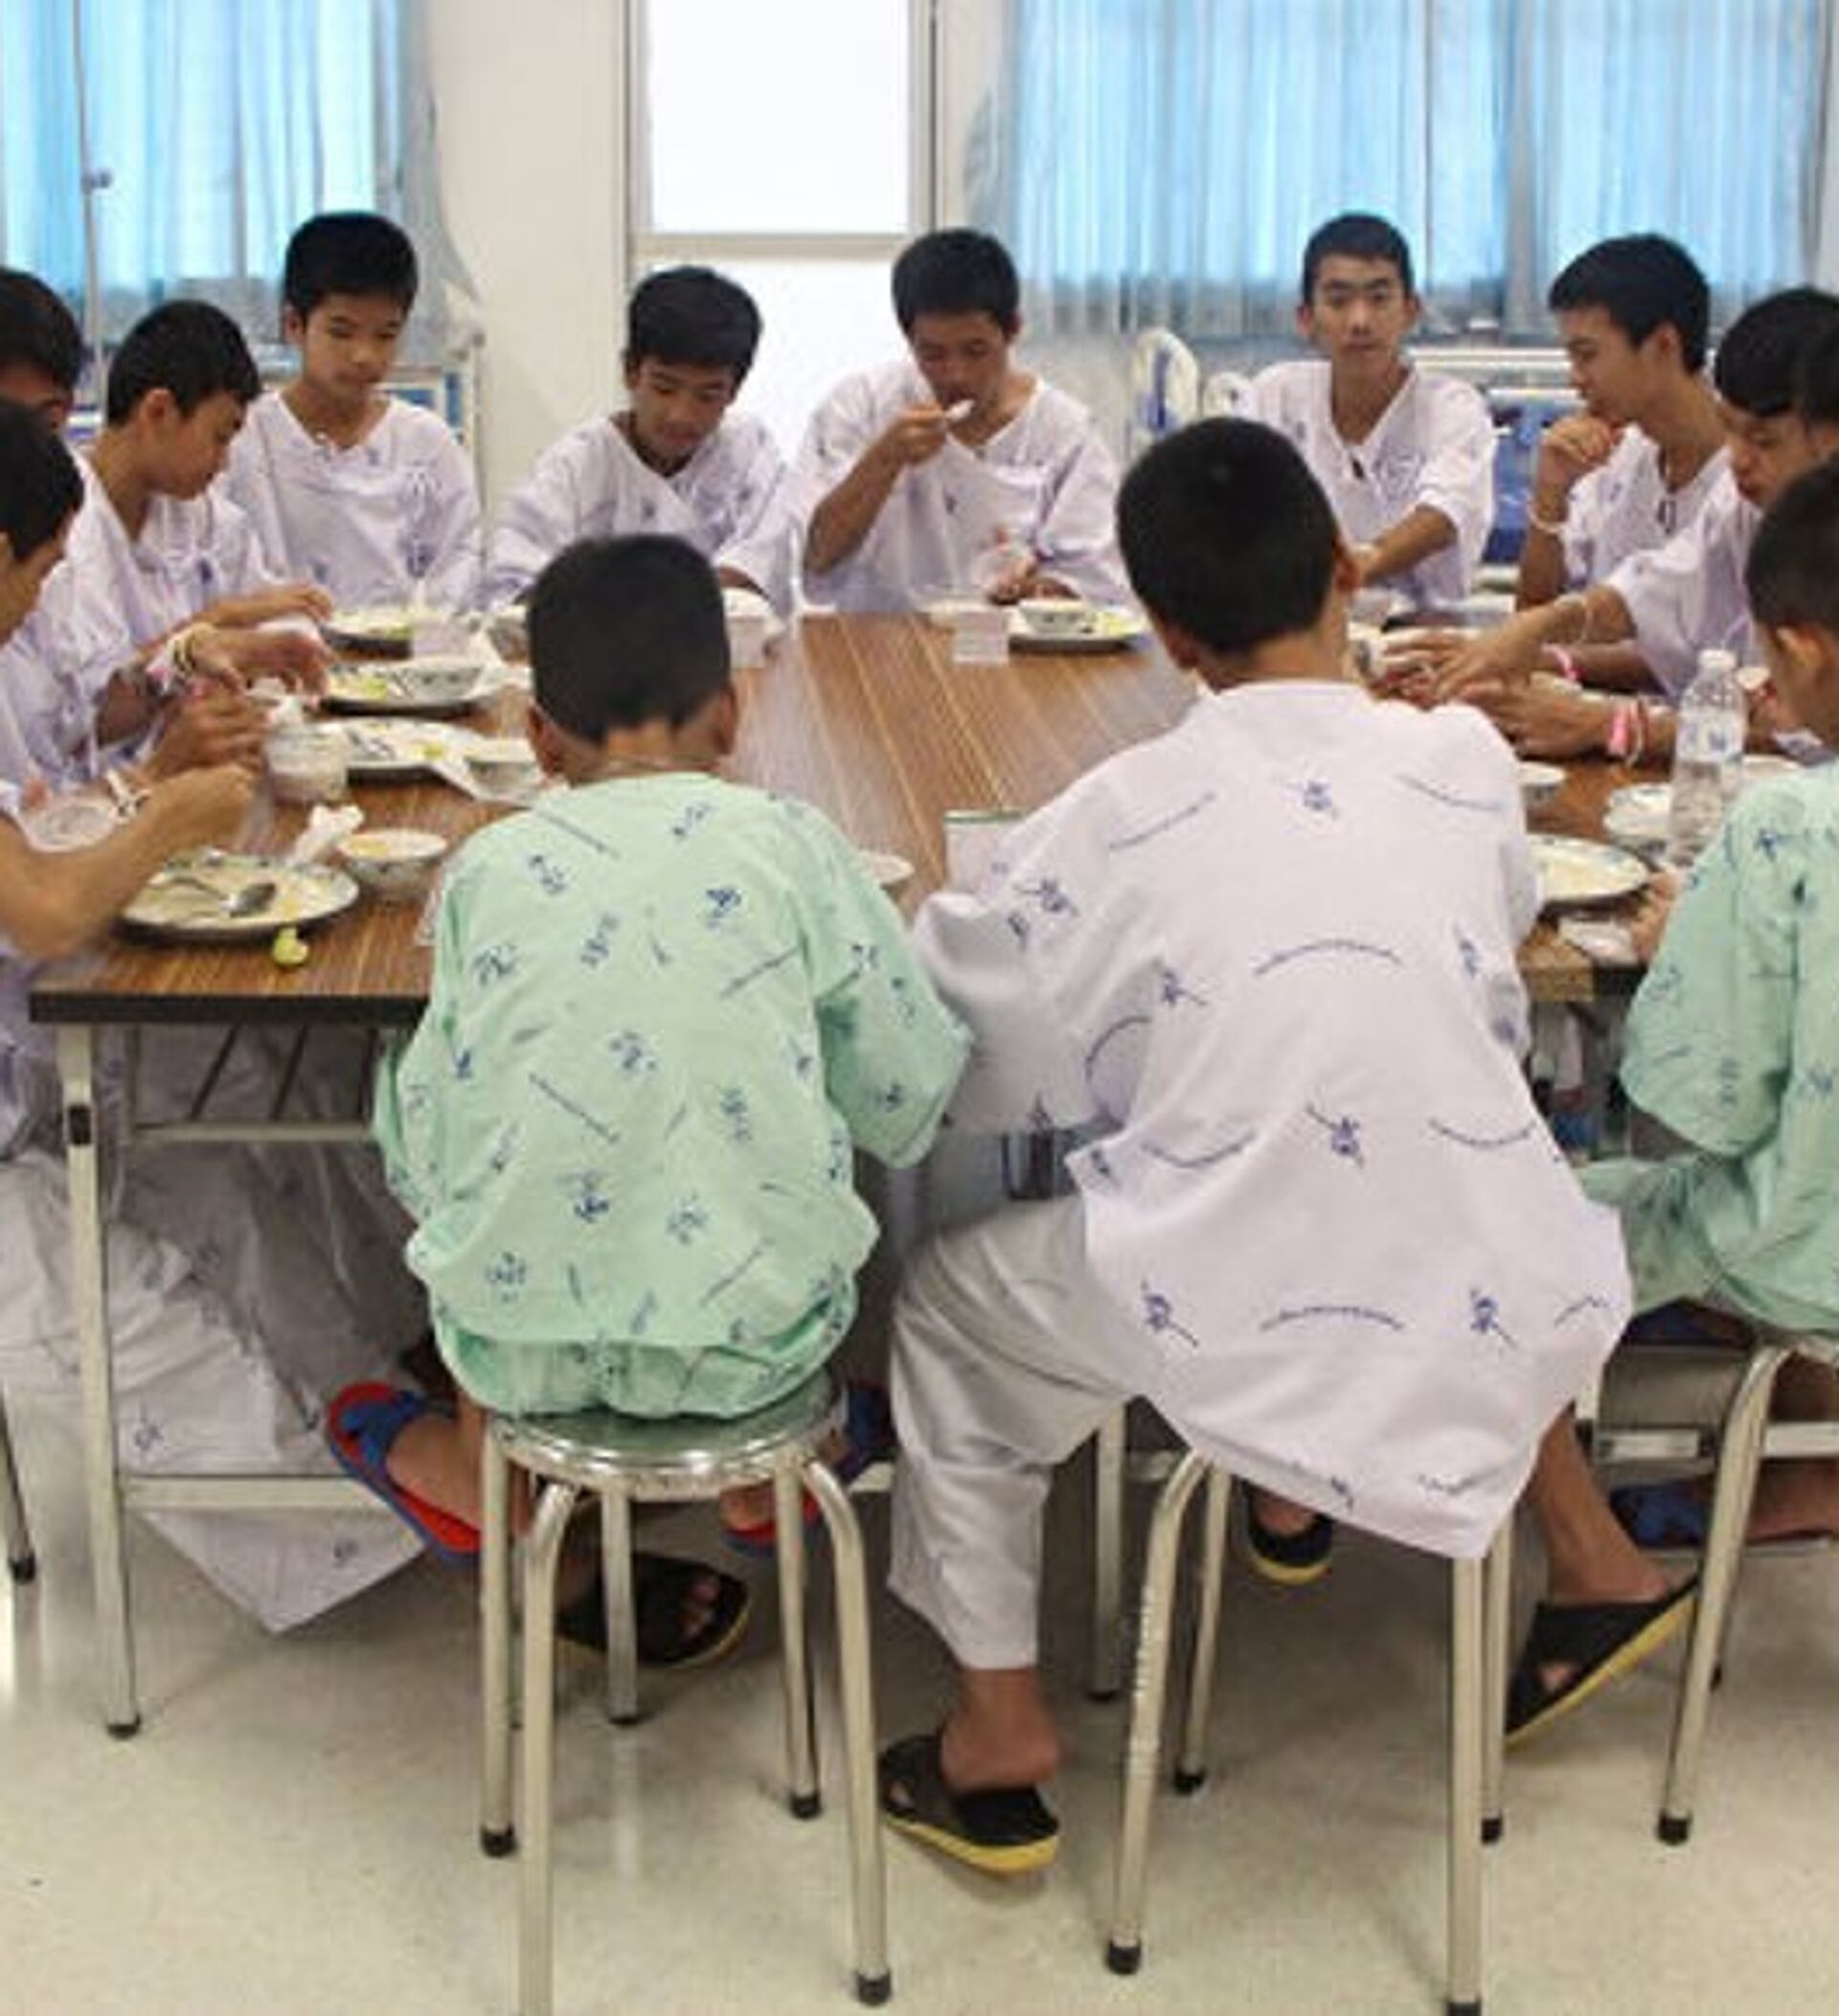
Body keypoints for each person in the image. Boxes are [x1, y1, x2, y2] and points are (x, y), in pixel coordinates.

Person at [874, 418, 1628, 1874]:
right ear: (1347, 565)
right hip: (1484, 1261)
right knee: (1361, 1140)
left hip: (1231, 1292)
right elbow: (1489, 932)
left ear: (1163, 632)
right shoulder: (1463, 760)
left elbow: (985, 1069)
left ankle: (999, 1729)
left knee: (951, 1310)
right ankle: (1291, 1492)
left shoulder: (1112, 815)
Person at [343, 533, 967, 1657]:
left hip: (521, 1355)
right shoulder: (793, 844)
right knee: (776, 1169)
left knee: (444, 1111)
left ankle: (481, 1465)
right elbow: (906, 1094)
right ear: (729, 714)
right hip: (755, 1352)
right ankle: (771, 1473)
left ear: (538, 736)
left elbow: (427, 1152)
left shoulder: (484, 867)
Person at [0, 396, 425, 1630]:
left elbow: (50, 799)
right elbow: (44, 907)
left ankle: (395, 1420)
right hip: (24, 1088)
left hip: (34, 1070)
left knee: (229, 1183)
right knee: (139, 1320)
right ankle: (392, 1518)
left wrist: (148, 774)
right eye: (37, 573)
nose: (41, 600)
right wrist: (165, 811)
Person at [1507, 456, 1839, 1743]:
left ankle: (1595, 1564)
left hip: (1805, 1244)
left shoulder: (1787, 830)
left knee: (1502, 1230)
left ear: (1799, 650)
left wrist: (1689, 941)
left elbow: (1699, 1109)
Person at [1434, 287, 1839, 761]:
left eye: (1764, 441)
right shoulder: (1738, 499)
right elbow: (1657, 592)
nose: (1739, 460)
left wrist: (1615, 726)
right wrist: (1535, 632)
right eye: (1730, 429)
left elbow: (1810, 739)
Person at [791, 228, 1128, 611]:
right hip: (878, 634)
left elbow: (1096, 578)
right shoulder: (860, 405)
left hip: (1010, 638)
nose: (956, 375)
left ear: (1013, 330)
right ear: (908, 339)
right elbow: (817, 559)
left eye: (976, 350)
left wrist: (1037, 589)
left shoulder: (1064, 431)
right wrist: (883, 459)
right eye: (933, 354)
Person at [487, 266, 793, 612]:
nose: (681, 415)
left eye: (707, 396)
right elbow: (516, 590)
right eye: (664, 388)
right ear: (630, 372)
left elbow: (758, 567)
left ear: (735, 389)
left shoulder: (749, 449)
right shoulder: (573, 466)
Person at [222, 211, 483, 612]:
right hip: (274, 646)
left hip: (402, 647)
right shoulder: (243, 438)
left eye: (386, 335)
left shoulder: (428, 442)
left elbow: (459, 566)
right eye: (341, 332)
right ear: (293, 325)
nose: (365, 355)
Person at [1248, 212, 1496, 610]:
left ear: (1411, 311)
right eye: (1338, 301)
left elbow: (1444, 514)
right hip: (1298, 619)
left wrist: (1360, 565)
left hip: (1424, 624)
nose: (1360, 321)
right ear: (1306, 319)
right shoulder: (1275, 395)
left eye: (1379, 299)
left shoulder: (1451, 406)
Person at [1515, 235, 1727, 691]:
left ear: (1663, 345)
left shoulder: (1748, 475)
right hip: (1599, 709)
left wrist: (1544, 660)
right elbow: (1532, 615)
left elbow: (1696, 657)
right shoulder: (1619, 455)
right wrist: (1550, 492)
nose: (1576, 379)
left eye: (1587, 355)